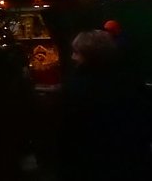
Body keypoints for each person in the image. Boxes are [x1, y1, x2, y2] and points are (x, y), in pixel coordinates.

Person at [57, 30, 152, 180]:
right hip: (130, 160)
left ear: (88, 55)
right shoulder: (130, 80)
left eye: (76, 52)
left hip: (90, 163)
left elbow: (66, 131)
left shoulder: (76, 87)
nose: (72, 57)